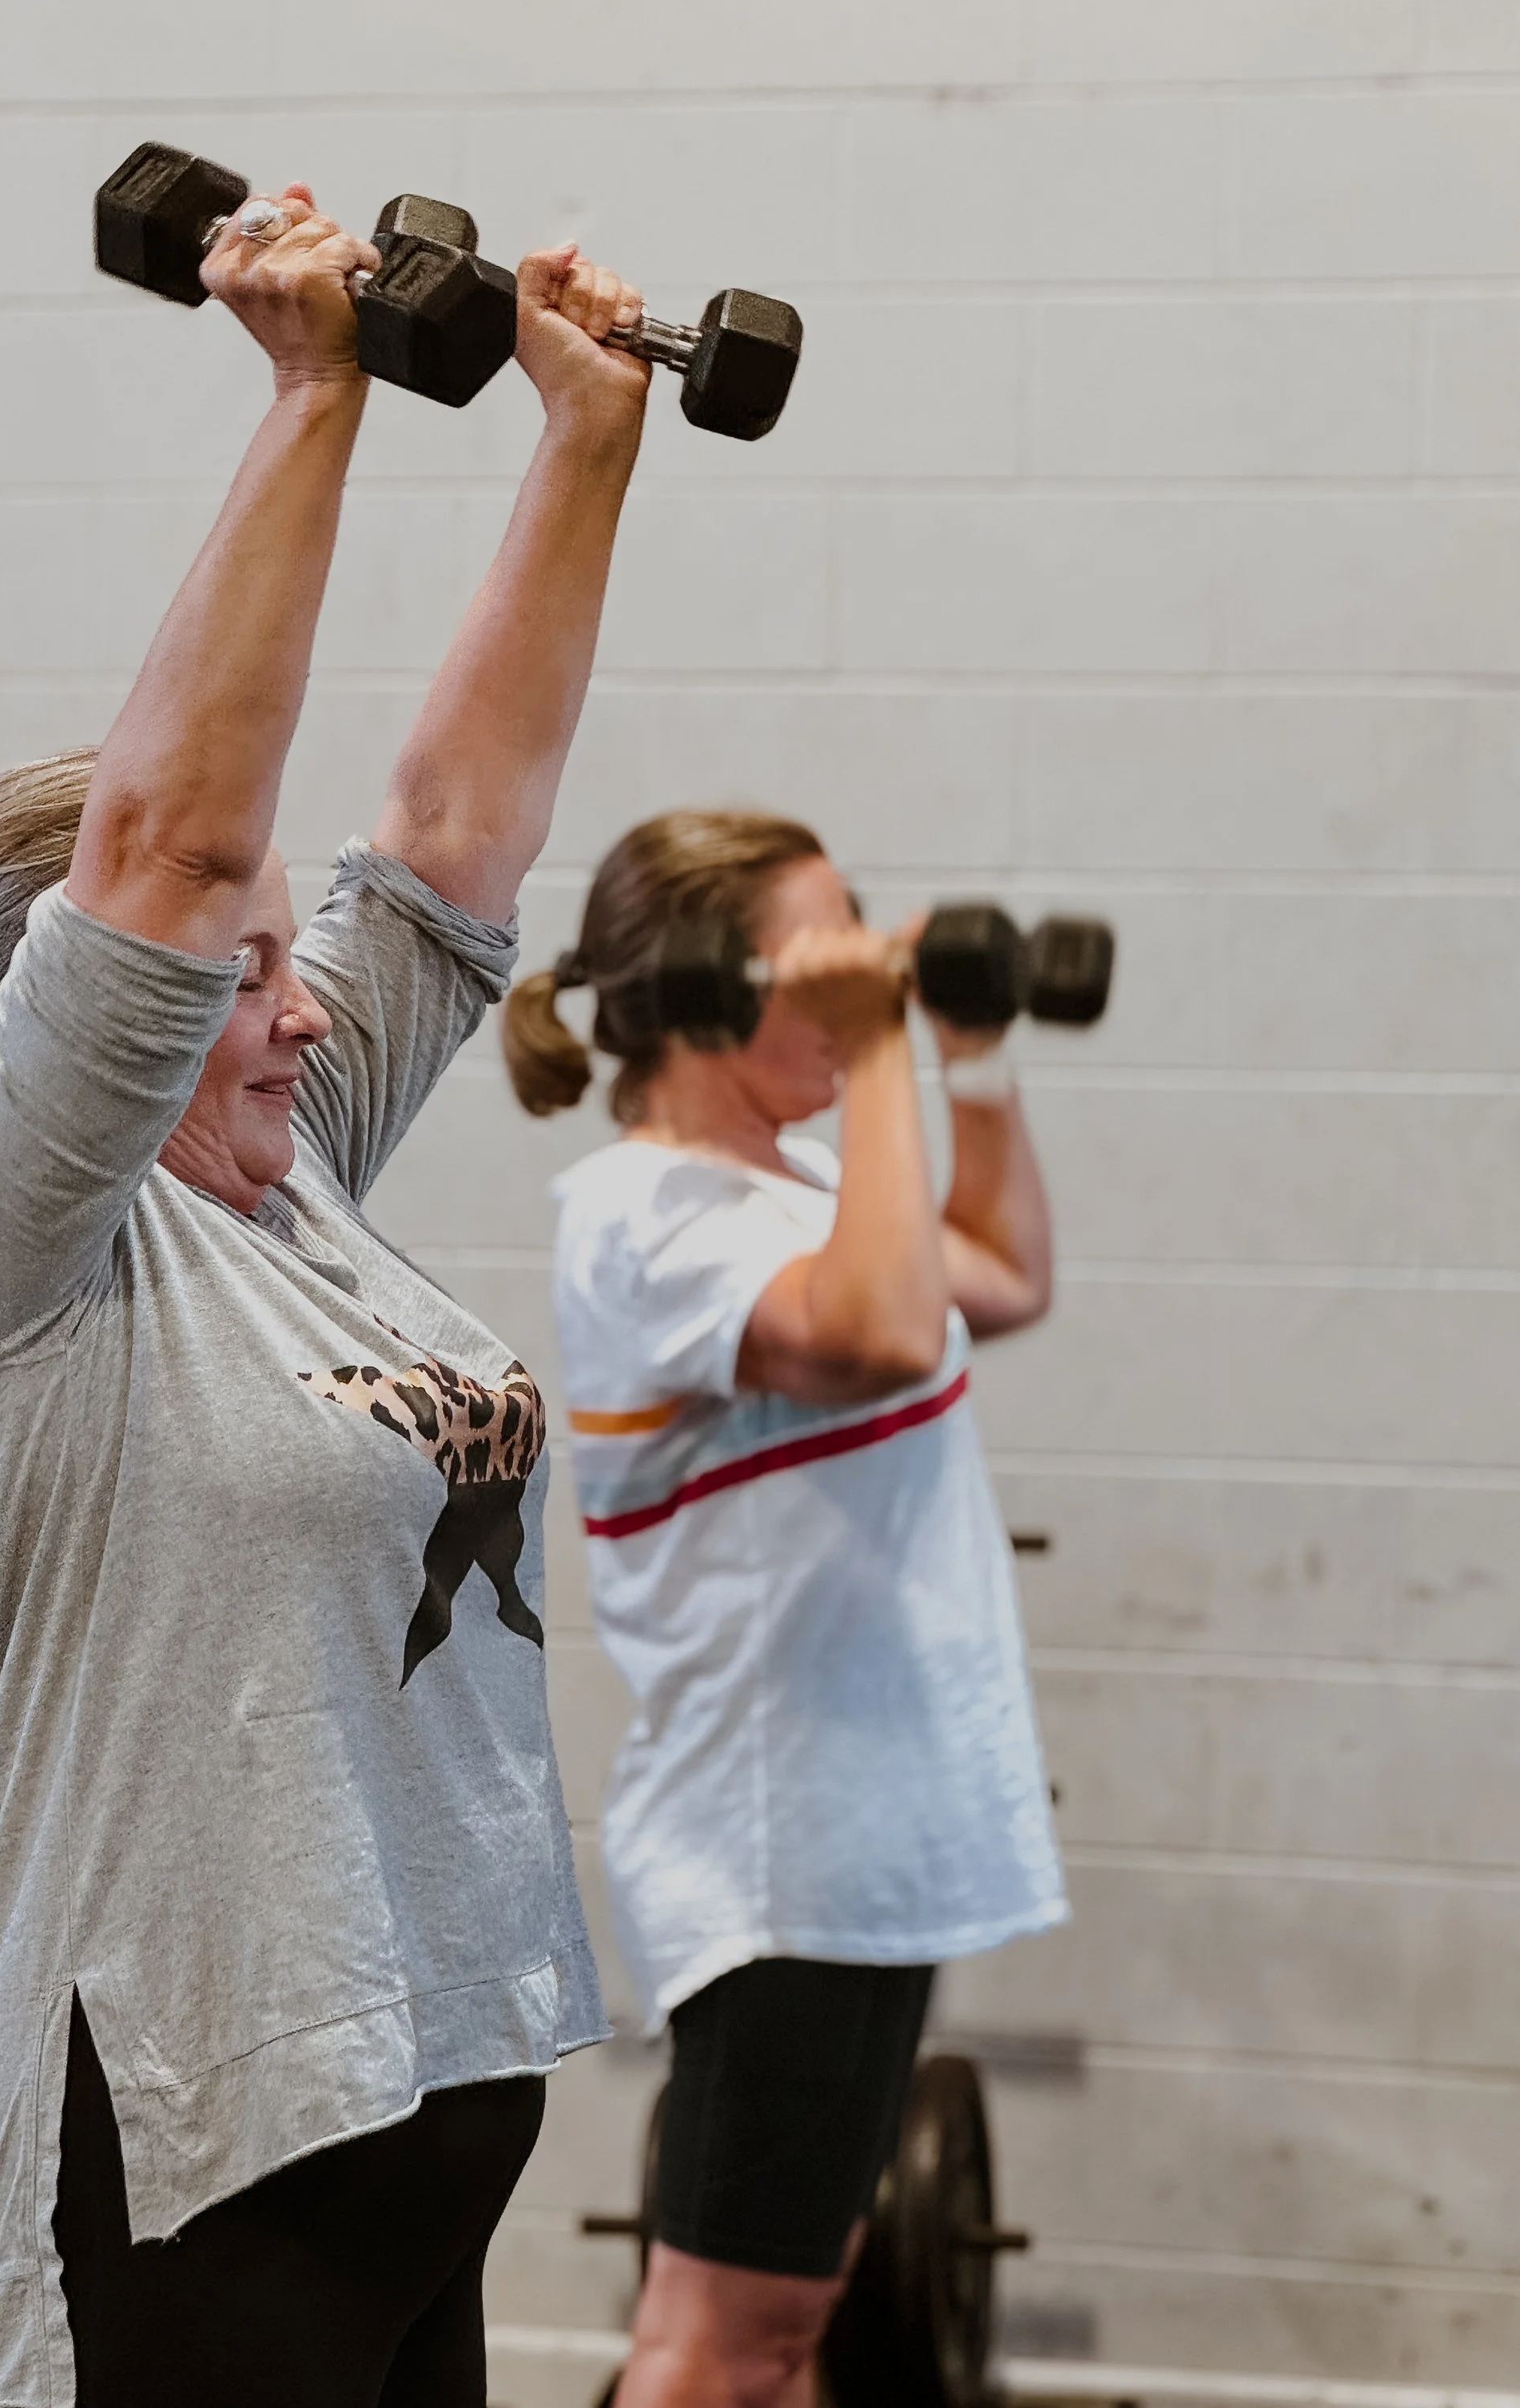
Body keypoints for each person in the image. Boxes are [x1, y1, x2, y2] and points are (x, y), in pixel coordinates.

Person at [0, 181, 652, 2408]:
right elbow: (168, 854)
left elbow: (461, 826)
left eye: (298, 963)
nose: (300, 1009)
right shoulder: (3, 1255)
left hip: (421, 2079)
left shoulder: (289, 1185)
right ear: (66, 1031)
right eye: (240, 973)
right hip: (173, 2131)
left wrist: (583, 439)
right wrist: (315, 396)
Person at [503, 811, 1067, 2408]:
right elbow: (884, 1331)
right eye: (812, 965)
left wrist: (966, 1062)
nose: (847, 988)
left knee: (773, 2342)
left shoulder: (798, 1176)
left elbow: (998, 1277)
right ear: (693, 996)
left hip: (868, 1849)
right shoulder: (640, 1214)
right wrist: (880, 1049)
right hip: (780, 1861)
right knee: (716, 2347)